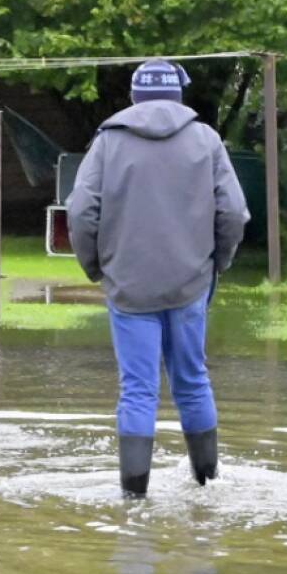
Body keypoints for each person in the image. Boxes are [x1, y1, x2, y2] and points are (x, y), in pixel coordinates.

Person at [68, 59, 250, 497]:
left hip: (128, 285)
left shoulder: (108, 142)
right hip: (190, 283)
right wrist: (215, 265)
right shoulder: (206, 140)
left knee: (137, 389)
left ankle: (133, 498)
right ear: (178, 96)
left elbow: (80, 212)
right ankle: (206, 484)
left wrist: (96, 268)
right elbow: (233, 213)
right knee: (192, 379)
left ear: (134, 98)